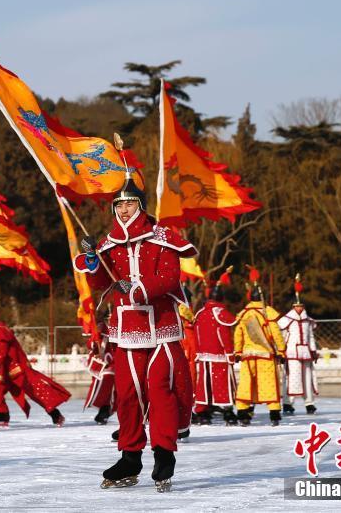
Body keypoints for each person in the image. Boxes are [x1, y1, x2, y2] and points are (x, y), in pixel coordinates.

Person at [74, 174, 196, 492]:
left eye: (129, 203)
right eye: (119, 204)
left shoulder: (163, 238)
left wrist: (140, 289)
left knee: (159, 389)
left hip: (161, 327)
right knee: (128, 395)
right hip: (126, 330)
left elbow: (170, 277)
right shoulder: (110, 244)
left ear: (141, 205)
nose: (124, 209)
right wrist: (92, 259)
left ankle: (163, 451)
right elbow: (101, 281)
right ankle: (130, 457)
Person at [0, 311, 70, 427]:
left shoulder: (0, 332)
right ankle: (2, 413)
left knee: (35, 392)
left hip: (17, 369)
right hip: (6, 369)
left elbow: (1, 354)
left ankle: (55, 414)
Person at [233, 280, 286, 426]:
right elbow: (276, 333)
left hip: (247, 355)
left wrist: (237, 351)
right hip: (266, 354)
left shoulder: (244, 314)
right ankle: (274, 414)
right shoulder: (267, 313)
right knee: (269, 384)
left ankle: (243, 413)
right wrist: (281, 351)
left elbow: (238, 334)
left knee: (246, 384)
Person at [192, 278, 238, 426]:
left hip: (203, 355)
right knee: (222, 384)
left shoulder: (200, 313)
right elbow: (224, 336)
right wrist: (230, 354)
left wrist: (198, 352)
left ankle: (202, 411)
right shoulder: (220, 312)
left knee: (204, 385)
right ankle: (228, 411)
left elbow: (196, 335)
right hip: (219, 356)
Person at [278, 279, 319, 415]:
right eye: (297, 306)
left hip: (306, 353)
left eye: (301, 305)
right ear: (293, 306)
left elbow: (311, 337)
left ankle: (309, 403)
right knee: (291, 378)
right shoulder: (286, 320)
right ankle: (288, 403)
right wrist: (281, 352)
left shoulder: (308, 321)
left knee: (307, 378)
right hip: (291, 353)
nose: (299, 308)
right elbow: (281, 337)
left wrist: (313, 351)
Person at [84, 311, 116, 426]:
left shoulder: (115, 327)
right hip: (103, 365)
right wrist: (95, 344)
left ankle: (106, 410)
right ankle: (104, 410)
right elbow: (91, 344)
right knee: (103, 388)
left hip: (113, 363)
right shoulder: (101, 330)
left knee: (111, 389)